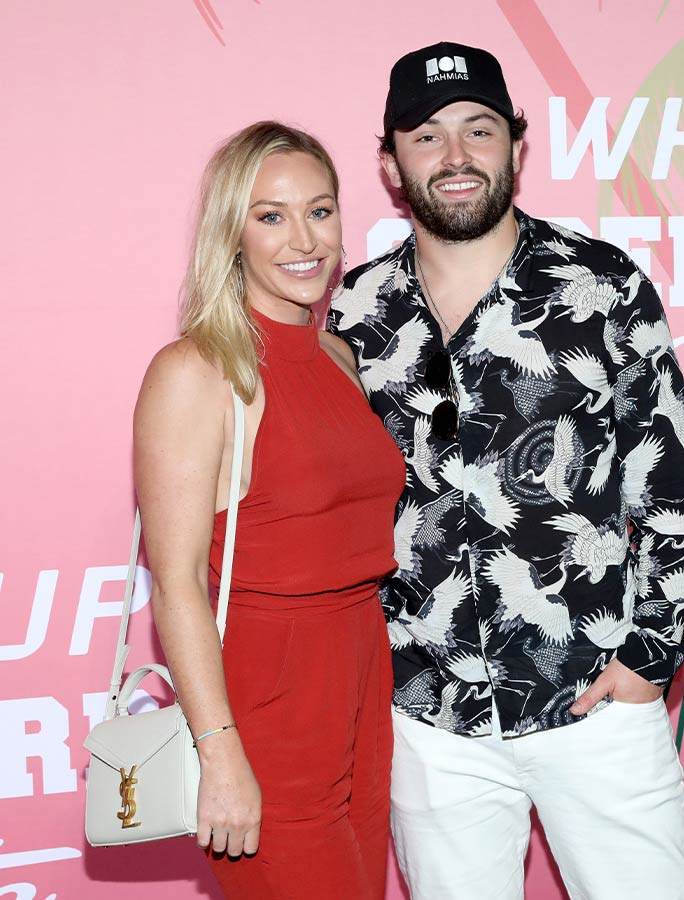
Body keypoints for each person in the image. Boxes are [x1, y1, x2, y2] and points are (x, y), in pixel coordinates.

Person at [328, 42, 684, 900]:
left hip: (595, 700)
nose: (455, 157)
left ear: (517, 148)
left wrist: (647, 660)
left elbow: (667, 486)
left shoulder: (602, 288)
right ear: (390, 163)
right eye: (427, 136)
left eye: (479, 130)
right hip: (430, 720)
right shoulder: (353, 313)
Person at [134, 121, 405, 899]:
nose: (304, 240)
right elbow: (178, 579)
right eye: (271, 215)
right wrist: (218, 751)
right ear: (233, 232)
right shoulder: (197, 369)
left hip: (360, 669)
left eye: (320, 211)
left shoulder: (336, 356)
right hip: (267, 690)